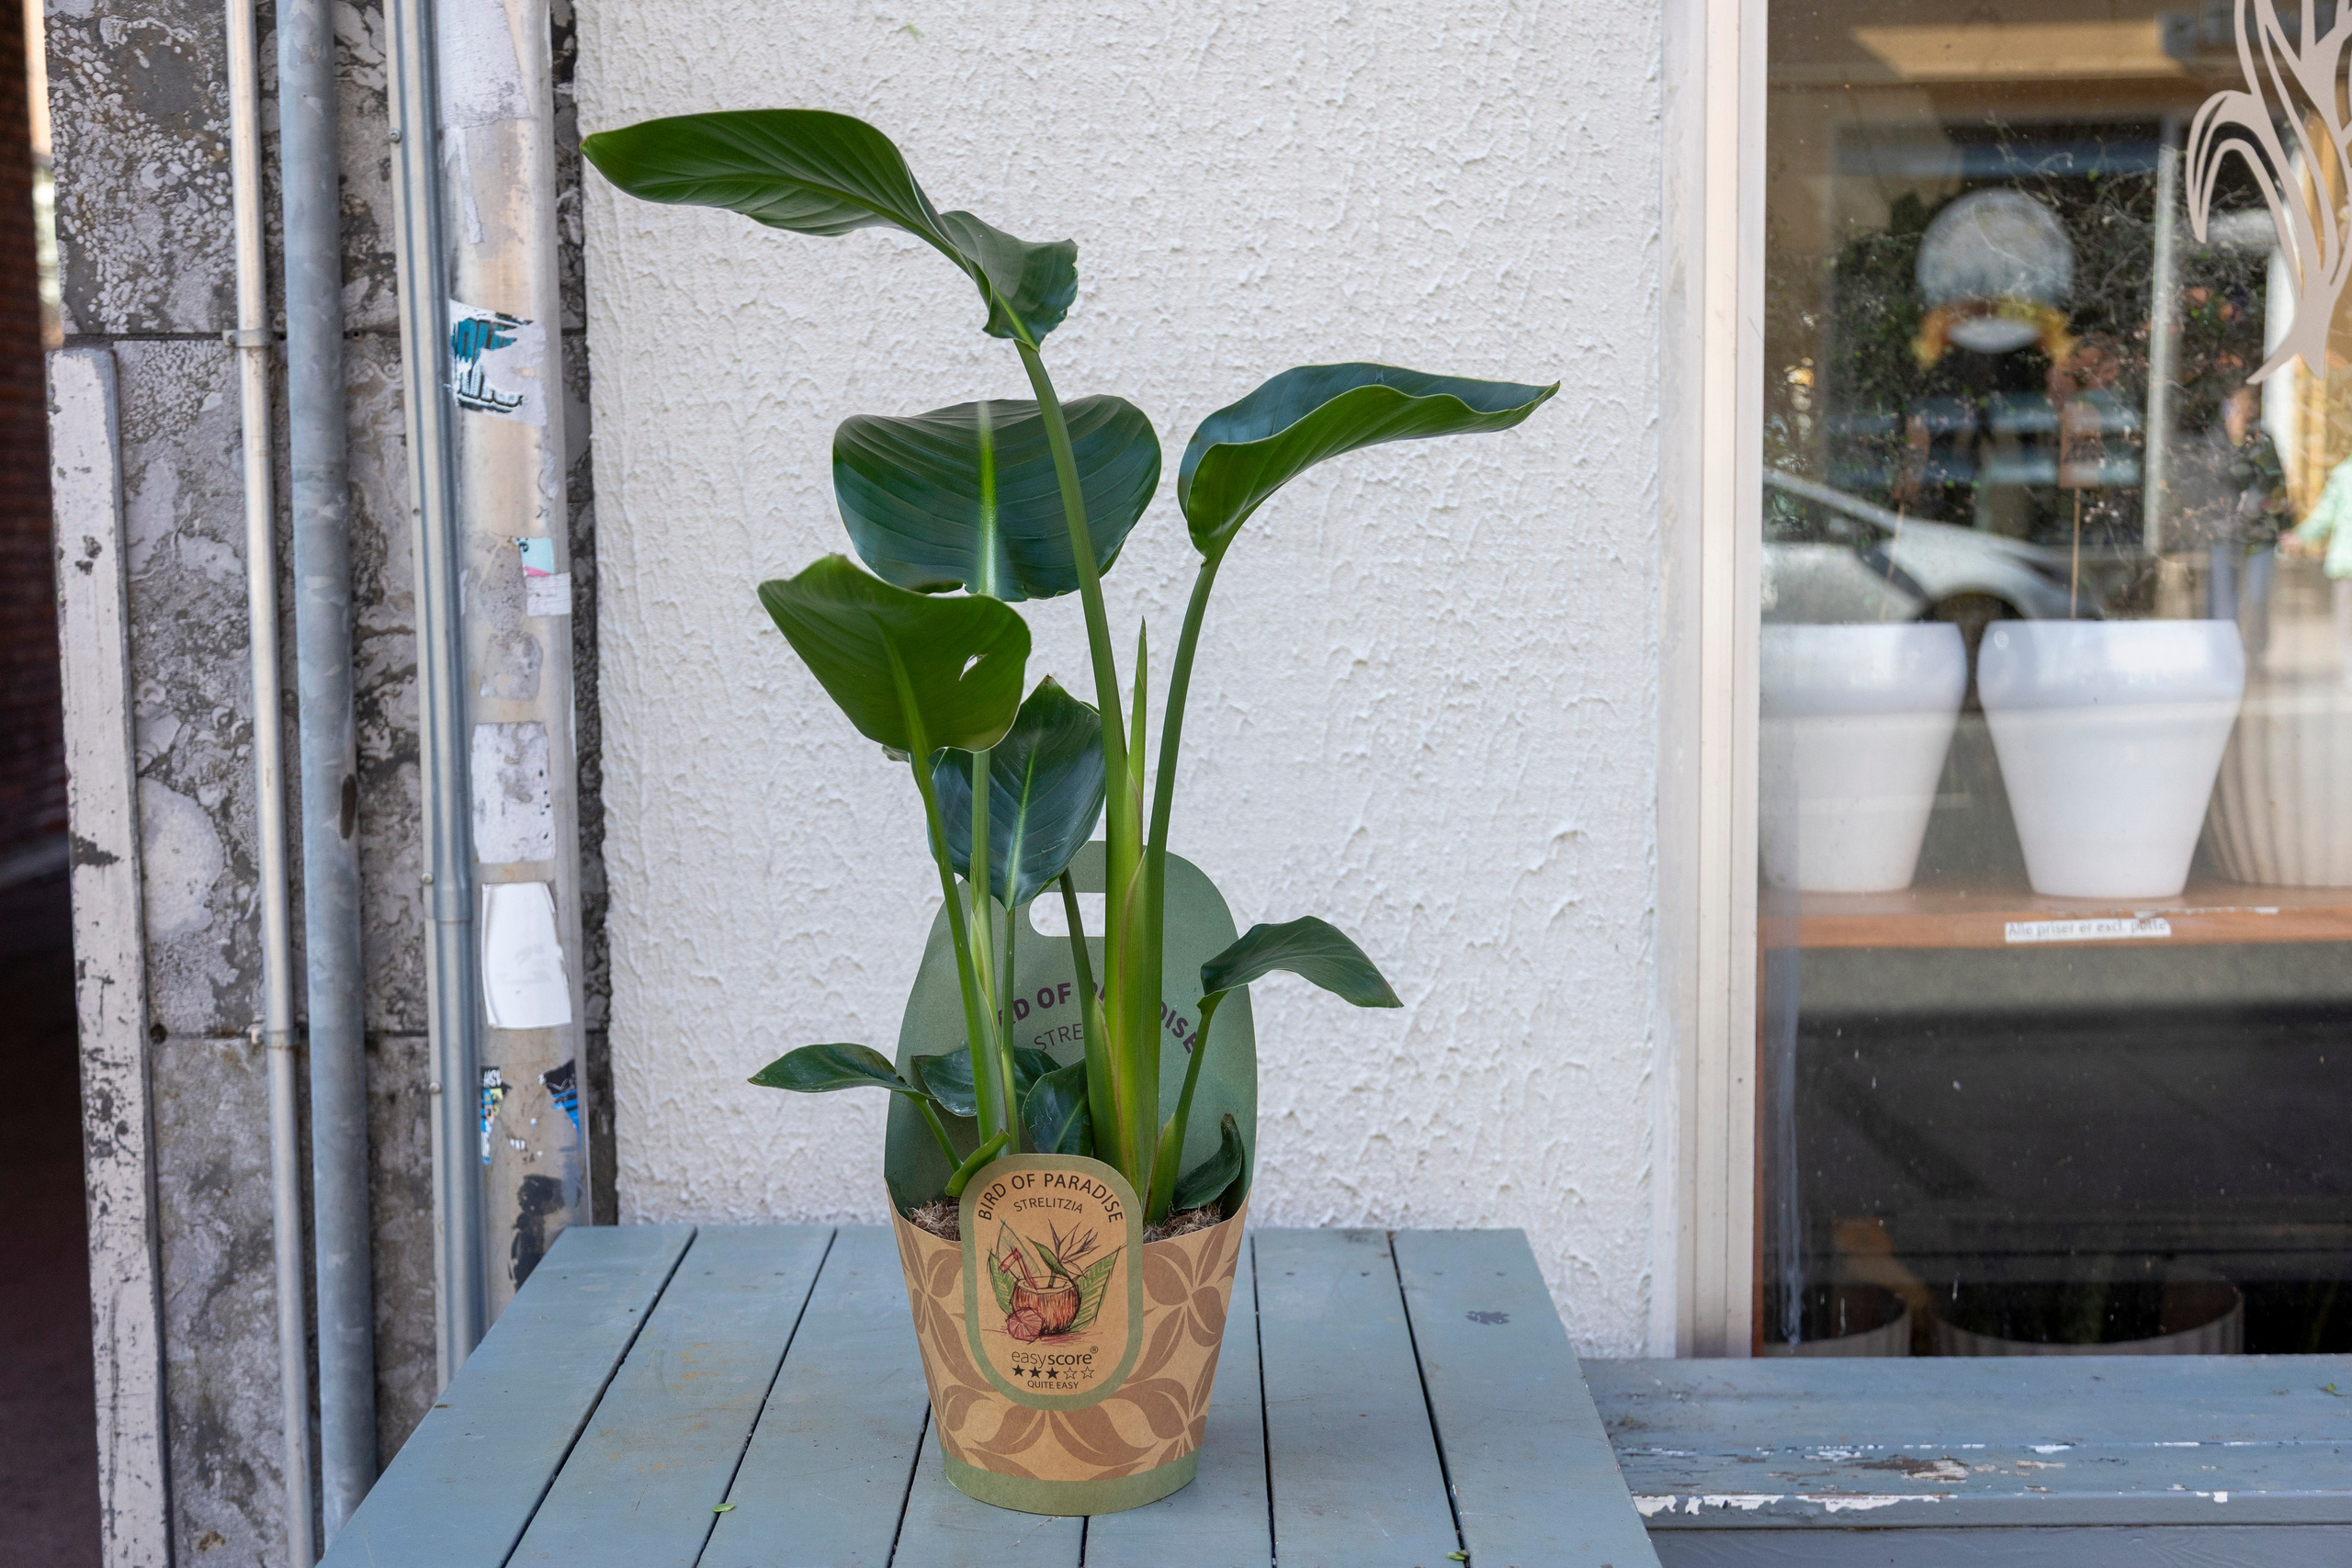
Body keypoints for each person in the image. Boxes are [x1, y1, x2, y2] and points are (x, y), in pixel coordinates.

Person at [2289, 446, 2352, 682]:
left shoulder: (2343, 474)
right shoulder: (2344, 474)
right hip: (2347, 563)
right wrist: (2301, 535)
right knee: (2347, 621)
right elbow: (2324, 515)